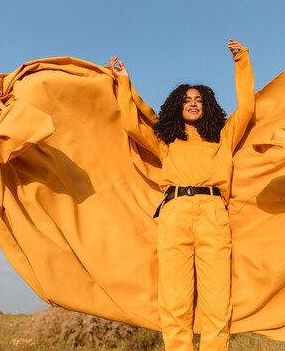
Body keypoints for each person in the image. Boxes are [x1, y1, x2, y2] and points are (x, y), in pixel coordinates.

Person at [108, 38, 255, 351]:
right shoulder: (167, 141)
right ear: (178, 105)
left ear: (207, 105)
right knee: (175, 304)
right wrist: (123, 83)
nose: (193, 102)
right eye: (187, 99)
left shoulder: (223, 137)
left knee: (218, 305)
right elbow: (131, 125)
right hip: (175, 215)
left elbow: (249, 107)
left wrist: (241, 60)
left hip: (214, 215)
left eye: (199, 99)